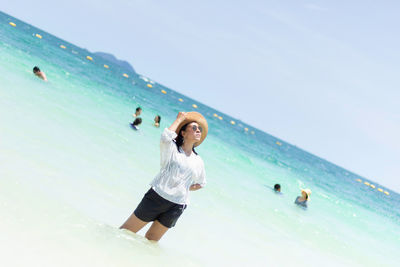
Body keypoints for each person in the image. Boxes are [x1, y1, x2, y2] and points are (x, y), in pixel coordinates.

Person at [120, 111, 208, 241]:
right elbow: (166, 136)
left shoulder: (198, 161)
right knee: (126, 230)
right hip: (157, 197)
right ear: (183, 133)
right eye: (194, 128)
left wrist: (184, 187)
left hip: (177, 205)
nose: (198, 130)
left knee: (151, 240)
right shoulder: (172, 149)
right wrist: (179, 119)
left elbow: (201, 183)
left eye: (199, 129)